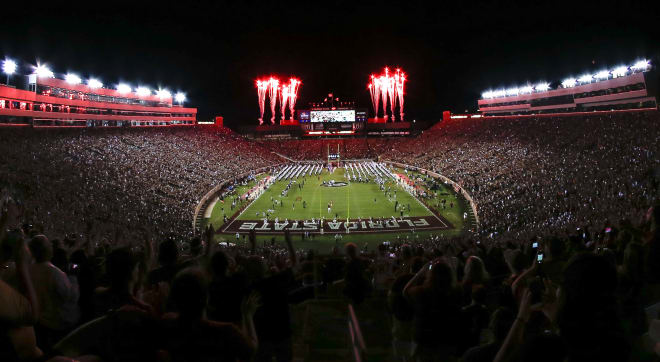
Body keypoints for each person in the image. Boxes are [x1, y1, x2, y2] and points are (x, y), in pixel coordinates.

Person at [159, 268, 259, 362]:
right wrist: (248, 316)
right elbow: (250, 351)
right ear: (206, 298)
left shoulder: (166, 323)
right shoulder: (226, 332)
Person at [403, 258, 463, 361]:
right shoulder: (455, 293)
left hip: (425, 339)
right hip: (446, 337)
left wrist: (421, 272)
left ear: (430, 276)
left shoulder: (421, 293)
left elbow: (406, 291)